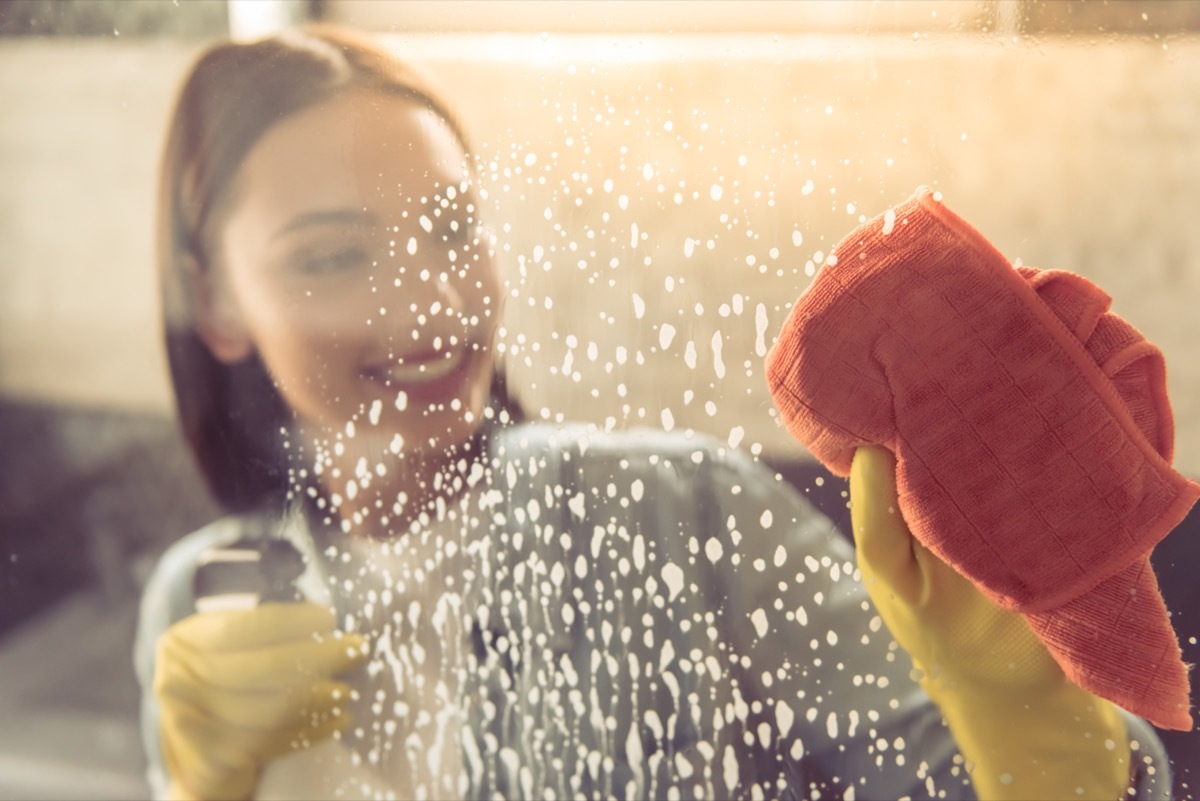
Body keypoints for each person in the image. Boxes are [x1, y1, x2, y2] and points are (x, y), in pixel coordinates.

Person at [134, 25, 1171, 801]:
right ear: (214, 299)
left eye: (451, 233)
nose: (436, 306)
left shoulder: (680, 515)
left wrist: (1035, 723)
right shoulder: (204, 599)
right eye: (333, 256)